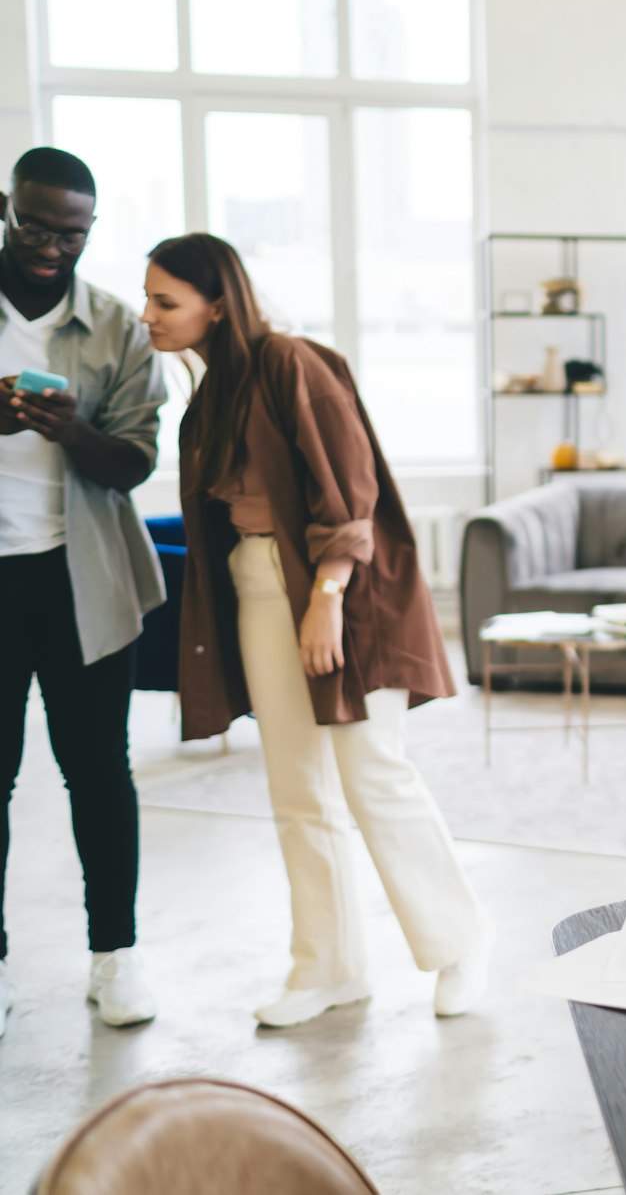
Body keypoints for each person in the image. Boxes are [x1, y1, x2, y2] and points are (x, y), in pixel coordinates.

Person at [142, 232, 489, 1028]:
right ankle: (327, 967)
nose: (149, 316)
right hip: (257, 589)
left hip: (340, 590)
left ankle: (460, 940)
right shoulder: (208, 399)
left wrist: (327, 594)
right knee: (298, 788)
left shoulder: (293, 362)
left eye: (166, 301)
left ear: (218, 303)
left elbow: (351, 483)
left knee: (373, 770)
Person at [0, 148, 166, 1034]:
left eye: (73, 232)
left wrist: (73, 432)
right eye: (36, 225)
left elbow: (136, 462)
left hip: (83, 580)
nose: (52, 247)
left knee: (98, 772)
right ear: (8, 207)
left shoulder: (113, 326)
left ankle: (117, 958)